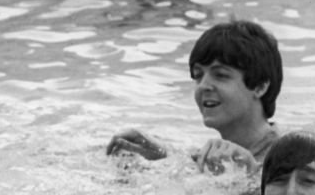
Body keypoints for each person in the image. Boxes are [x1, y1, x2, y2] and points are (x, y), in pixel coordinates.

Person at [107, 20, 283, 175]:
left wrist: (251, 174)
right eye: (198, 76)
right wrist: (161, 156)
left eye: (220, 75)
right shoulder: (216, 157)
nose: (203, 86)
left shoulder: (290, 159)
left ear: (260, 87)